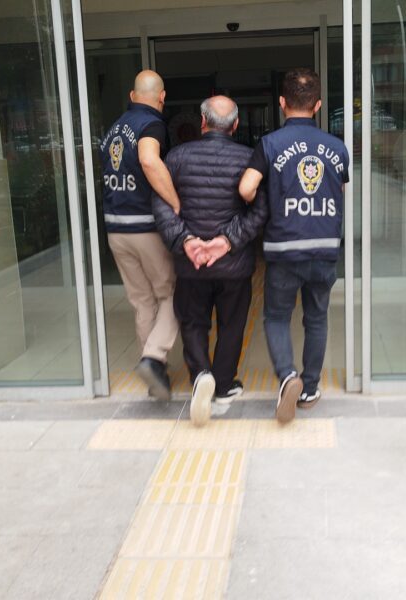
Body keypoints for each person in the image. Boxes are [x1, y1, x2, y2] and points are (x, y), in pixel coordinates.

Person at [238, 68, 350, 424]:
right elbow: (340, 190)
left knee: (276, 317)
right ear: (317, 105)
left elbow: (246, 188)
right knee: (316, 318)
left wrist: (266, 199)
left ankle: (288, 375)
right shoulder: (337, 147)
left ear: (282, 102)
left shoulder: (270, 144)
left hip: (284, 250)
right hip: (325, 248)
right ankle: (309, 388)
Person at [152, 96, 268, 427]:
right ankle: (224, 384)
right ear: (235, 125)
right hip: (234, 264)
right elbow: (260, 211)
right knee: (232, 324)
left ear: (202, 122)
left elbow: (160, 204)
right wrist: (228, 240)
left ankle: (201, 375)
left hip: (192, 264)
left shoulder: (176, 157)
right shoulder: (249, 159)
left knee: (193, 322)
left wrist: (186, 240)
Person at [99, 70, 182, 401]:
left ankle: (154, 376)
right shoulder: (151, 124)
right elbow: (149, 160)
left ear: (132, 96)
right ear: (162, 97)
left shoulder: (114, 129)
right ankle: (154, 357)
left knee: (142, 300)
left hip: (115, 229)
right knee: (172, 294)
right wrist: (175, 202)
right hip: (144, 227)